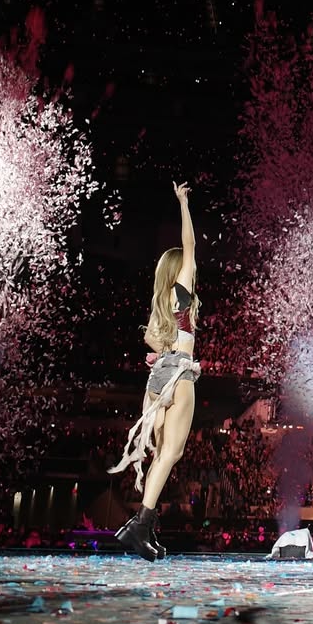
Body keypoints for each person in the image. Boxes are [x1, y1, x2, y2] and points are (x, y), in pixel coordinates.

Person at [109, 181, 200, 561]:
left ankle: (145, 527)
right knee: (171, 453)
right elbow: (190, 246)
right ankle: (140, 524)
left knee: (162, 453)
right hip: (179, 374)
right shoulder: (182, 291)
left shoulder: (161, 300)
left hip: (158, 375)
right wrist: (183, 204)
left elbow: (150, 339)